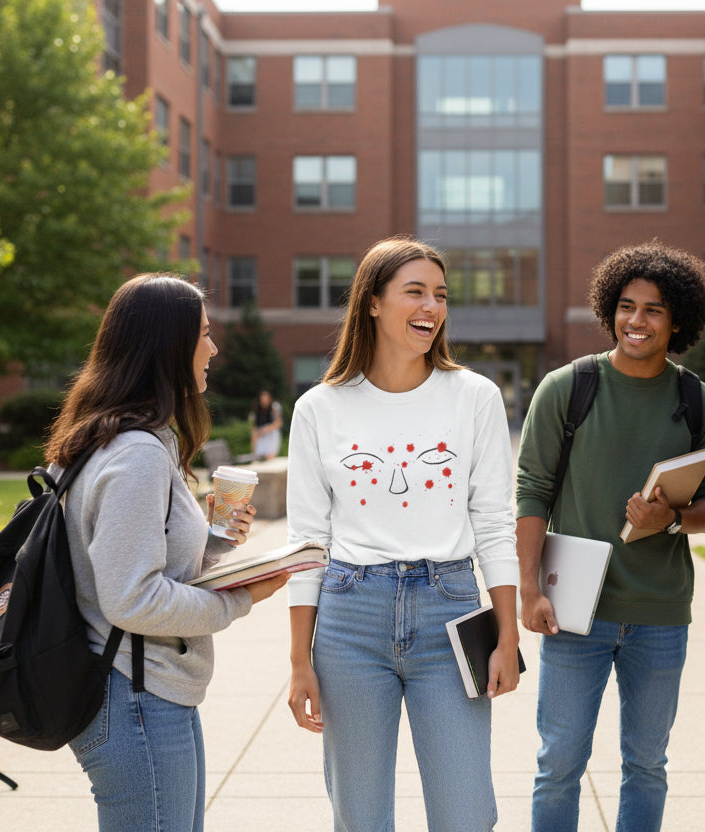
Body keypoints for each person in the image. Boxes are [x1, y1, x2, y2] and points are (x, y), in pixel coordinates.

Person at [284, 237, 521, 832]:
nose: (431, 307)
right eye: (414, 292)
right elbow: (308, 541)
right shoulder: (319, 408)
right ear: (371, 302)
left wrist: (508, 634)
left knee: (465, 814)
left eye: (440, 295)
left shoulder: (474, 397)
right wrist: (298, 660)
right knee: (360, 816)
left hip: (451, 611)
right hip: (349, 619)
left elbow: (494, 524)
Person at [44, 273, 289, 832]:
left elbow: (134, 564)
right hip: (135, 697)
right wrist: (240, 599)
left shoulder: (112, 438)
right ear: (169, 345)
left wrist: (216, 538)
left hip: (140, 692)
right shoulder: (137, 454)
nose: (214, 347)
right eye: (203, 333)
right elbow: (132, 599)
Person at [516, 240, 705, 832]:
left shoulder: (698, 401)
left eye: (654, 309)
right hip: (573, 610)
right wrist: (527, 589)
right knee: (559, 763)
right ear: (610, 308)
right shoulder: (567, 388)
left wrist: (671, 520)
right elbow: (532, 492)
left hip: (660, 614)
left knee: (646, 764)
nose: (637, 320)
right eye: (627, 306)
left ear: (678, 320)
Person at [250, 389, 283, 460]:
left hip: (271, 436)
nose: (264, 401)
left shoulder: (274, 407)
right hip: (261, 437)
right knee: (259, 457)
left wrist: (267, 428)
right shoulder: (256, 411)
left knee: (270, 457)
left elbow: (279, 423)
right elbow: (254, 429)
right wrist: (253, 444)